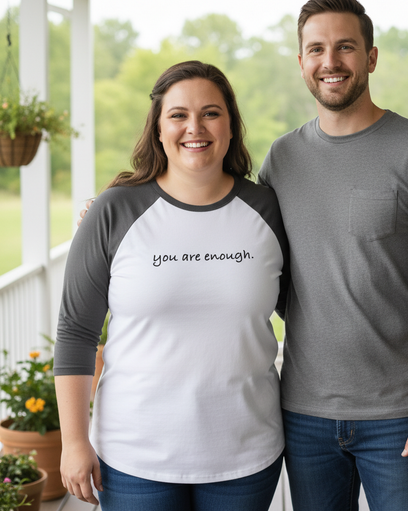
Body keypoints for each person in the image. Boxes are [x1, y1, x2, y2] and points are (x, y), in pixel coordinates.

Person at [257, 0, 408, 511]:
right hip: (304, 413)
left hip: (402, 414)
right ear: (302, 62)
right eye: (316, 49)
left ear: (371, 57)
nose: (330, 62)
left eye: (345, 47)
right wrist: (120, 202)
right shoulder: (282, 158)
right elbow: (238, 241)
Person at [53, 60, 291, 511]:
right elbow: (76, 334)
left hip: (246, 454)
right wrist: (73, 441)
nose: (194, 127)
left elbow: (308, 302)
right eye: (178, 115)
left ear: (231, 127)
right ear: (158, 130)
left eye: (211, 113)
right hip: (133, 459)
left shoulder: (267, 208)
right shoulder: (113, 211)